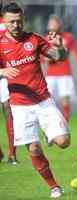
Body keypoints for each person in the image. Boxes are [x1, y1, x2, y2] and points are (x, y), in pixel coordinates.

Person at [0, 3, 70, 198]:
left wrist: (60, 47)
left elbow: (59, 57)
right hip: (20, 106)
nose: (16, 25)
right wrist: (2, 71)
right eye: (11, 21)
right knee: (34, 148)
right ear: (4, 21)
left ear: (23, 19)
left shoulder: (34, 39)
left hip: (43, 101)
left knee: (63, 142)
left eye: (19, 21)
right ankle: (54, 186)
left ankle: (50, 134)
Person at [44, 14, 77, 122]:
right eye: (50, 23)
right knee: (47, 100)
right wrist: (45, 60)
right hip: (50, 74)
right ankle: (49, 121)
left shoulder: (68, 37)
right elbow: (41, 57)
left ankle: (65, 121)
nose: (52, 25)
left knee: (65, 98)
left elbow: (76, 52)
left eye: (54, 23)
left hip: (64, 73)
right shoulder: (45, 39)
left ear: (59, 24)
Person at [0, 7, 17, 164]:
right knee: (8, 111)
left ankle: (12, 153)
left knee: (8, 110)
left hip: (4, 74)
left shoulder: (6, 24)